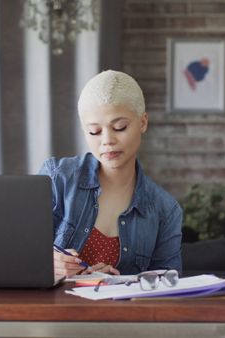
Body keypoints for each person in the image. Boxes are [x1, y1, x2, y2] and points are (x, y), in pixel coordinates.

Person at [39, 70, 182, 279]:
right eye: (94, 132)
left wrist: (115, 281)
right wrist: (46, 263)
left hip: (121, 312)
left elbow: (167, 286)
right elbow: (14, 252)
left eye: (119, 127)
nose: (107, 140)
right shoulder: (57, 178)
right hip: (54, 310)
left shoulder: (165, 211)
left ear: (143, 122)